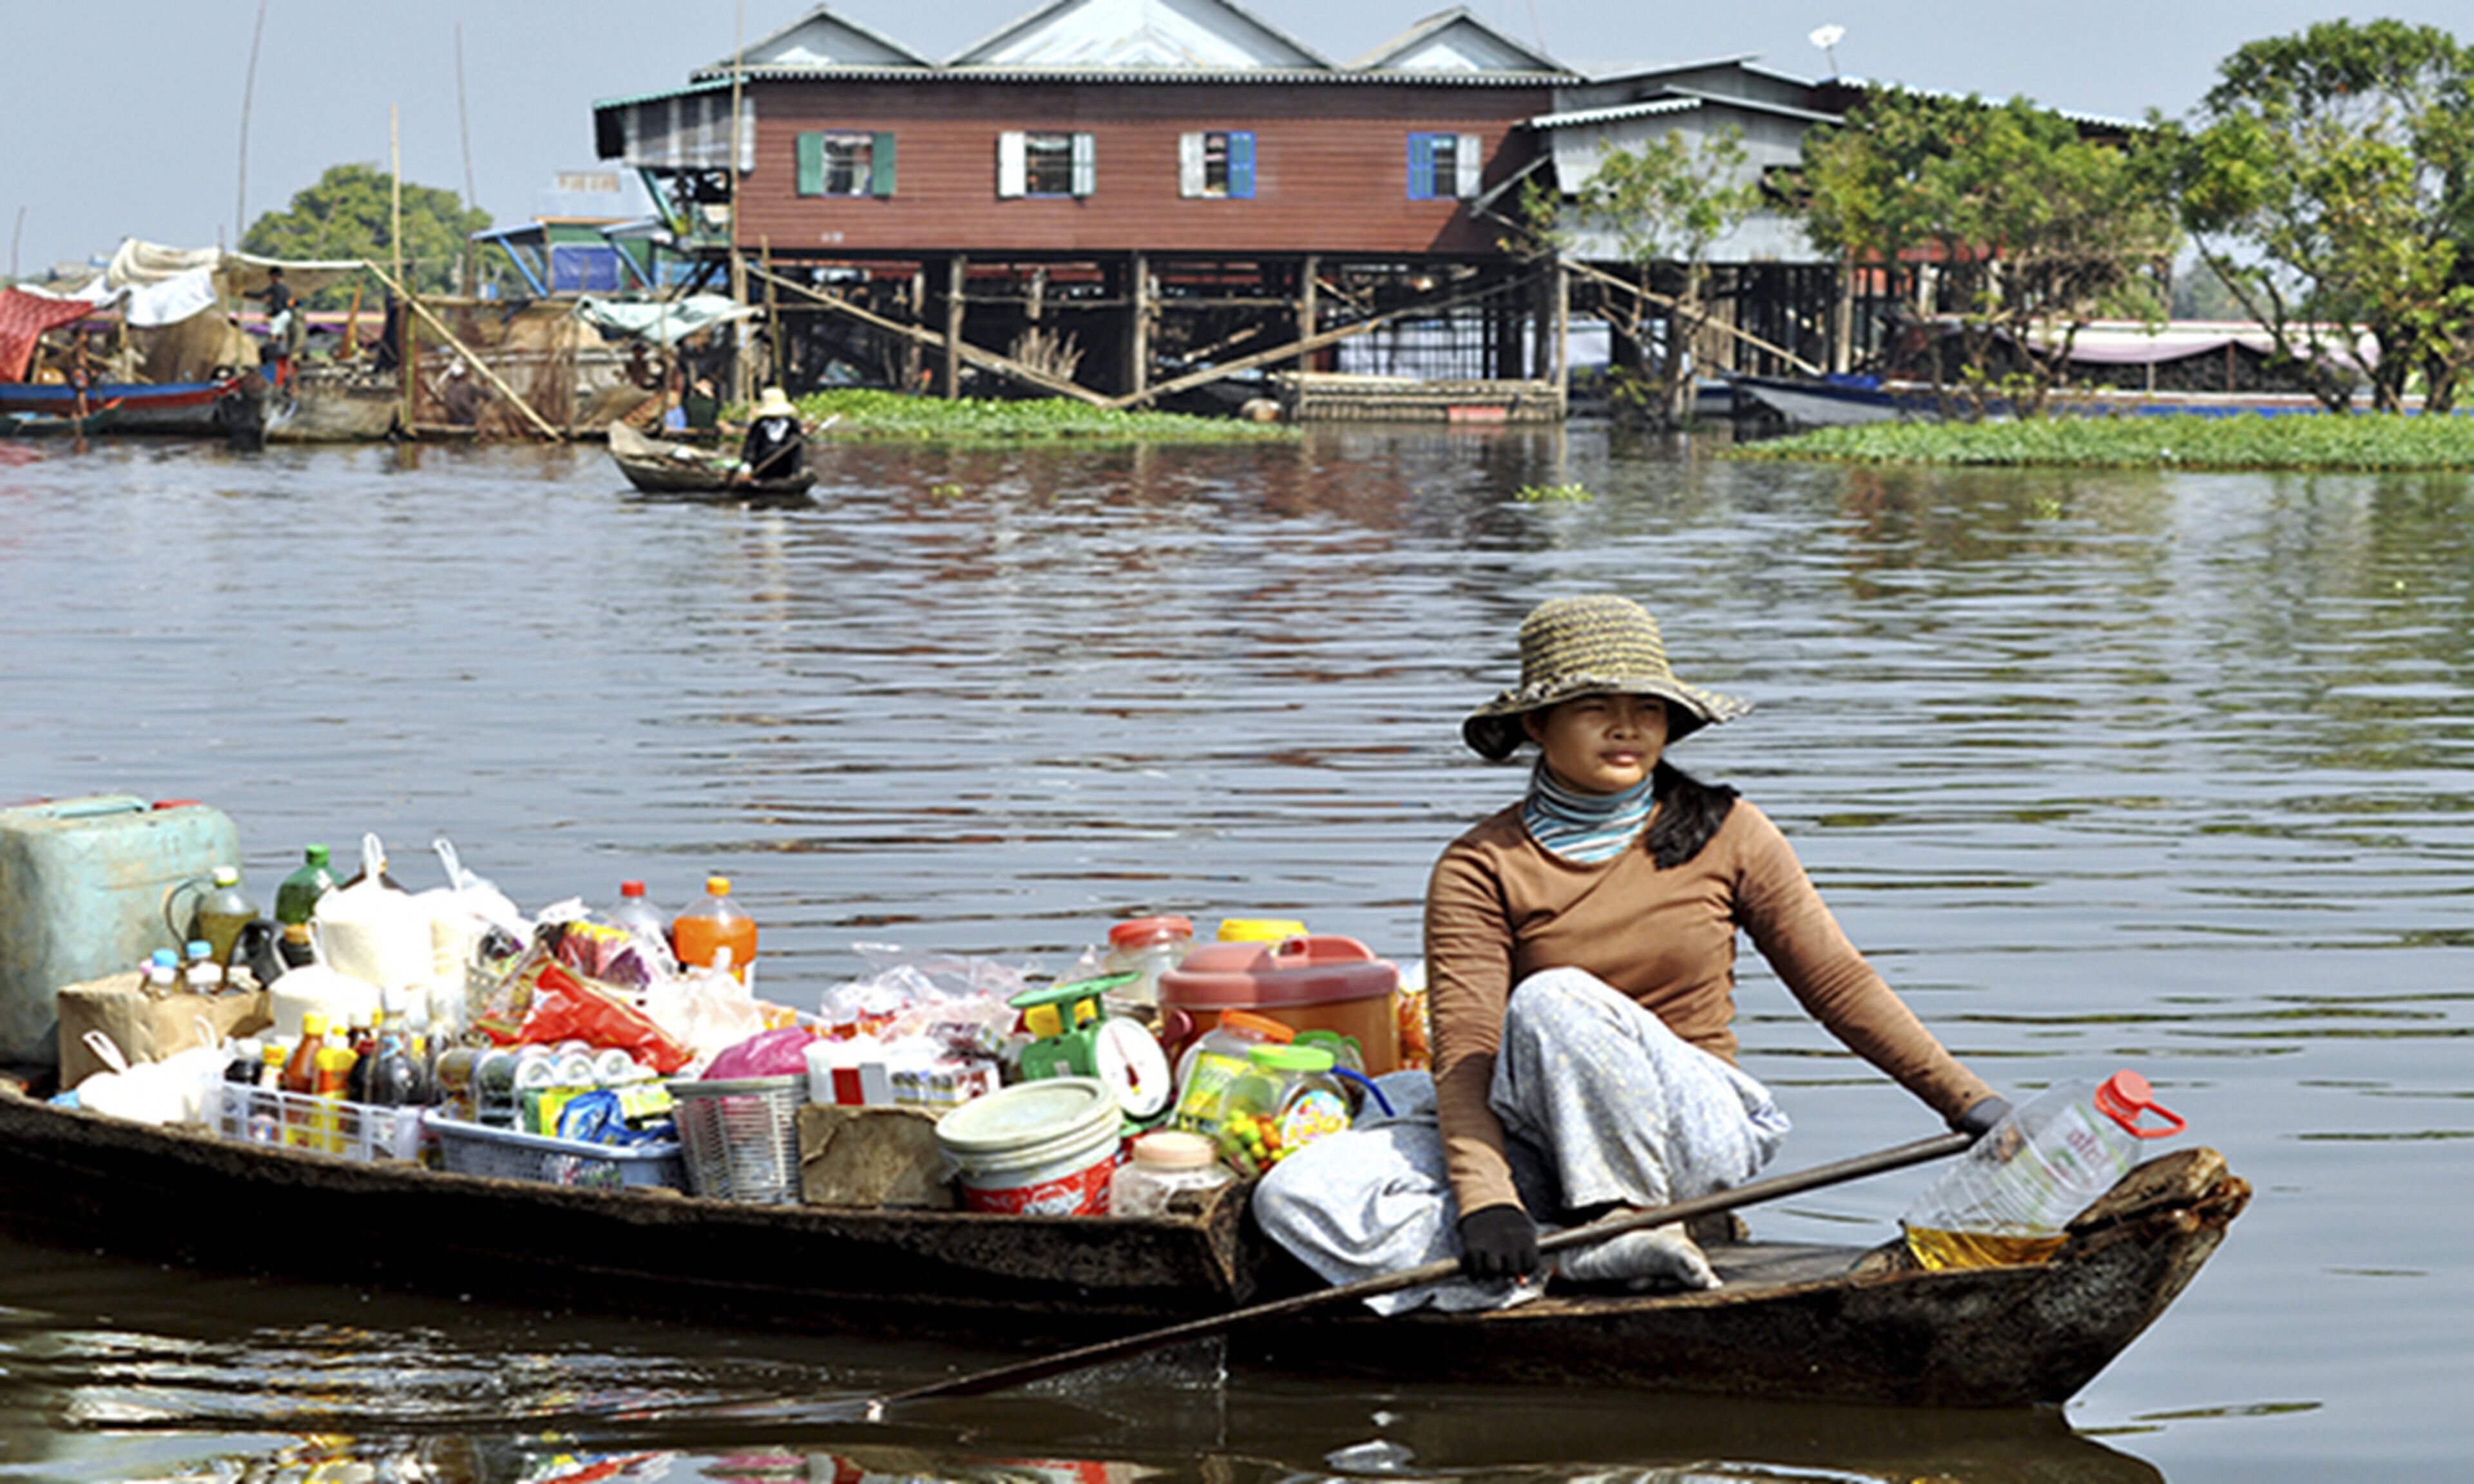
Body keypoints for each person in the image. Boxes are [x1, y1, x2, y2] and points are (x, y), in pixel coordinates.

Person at [1255, 594, 2011, 1312]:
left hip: (1694, 1128)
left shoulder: (1730, 831)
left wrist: (1972, 1103)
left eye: (1646, 710)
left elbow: (1839, 985)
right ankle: (1558, 1255)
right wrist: (1487, 1202)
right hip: (1547, 1135)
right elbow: (1470, 1051)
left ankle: (1628, 1219)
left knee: (1555, 996)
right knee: (1298, 1197)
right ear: (1536, 728)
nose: (1627, 729)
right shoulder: (1478, 864)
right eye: (1596, 709)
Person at [734, 386, 805, 483]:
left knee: (795, 441)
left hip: (785, 467)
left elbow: (797, 451)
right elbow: (751, 446)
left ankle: (794, 475)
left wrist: (795, 472)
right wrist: (747, 465)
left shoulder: (792, 425)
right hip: (764, 467)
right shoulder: (759, 425)